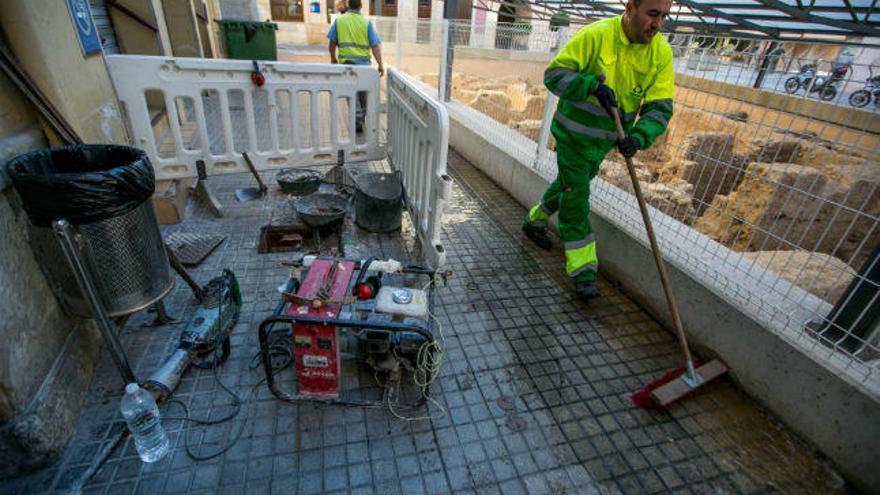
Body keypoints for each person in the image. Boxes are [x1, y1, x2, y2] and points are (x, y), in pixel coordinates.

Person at [521, 0, 674, 301]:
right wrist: (589, 85)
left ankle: (534, 221)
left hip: (602, 144)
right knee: (576, 199)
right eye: (652, 14)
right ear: (631, 8)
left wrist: (640, 136)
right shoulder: (595, 36)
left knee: (568, 187)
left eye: (664, 17)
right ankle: (583, 270)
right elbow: (554, 75)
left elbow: (660, 108)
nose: (657, 24)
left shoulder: (660, 53)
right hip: (573, 138)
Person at [327, 0, 384, 132]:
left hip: (347, 65)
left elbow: (331, 43)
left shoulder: (339, 21)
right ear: (361, 6)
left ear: (348, 5)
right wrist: (380, 64)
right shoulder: (366, 23)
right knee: (363, 95)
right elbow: (375, 46)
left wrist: (333, 57)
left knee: (351, 93)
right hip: (364, 67)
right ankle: (360, 118)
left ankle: (358, 118)